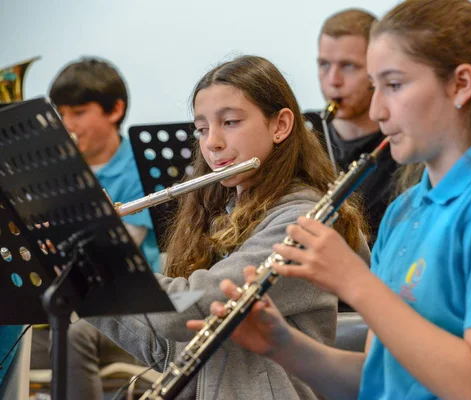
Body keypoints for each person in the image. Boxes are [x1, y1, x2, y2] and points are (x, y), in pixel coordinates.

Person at [196, 1, 471, 399]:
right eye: (375, 85)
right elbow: (380, 378)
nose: (377, 109)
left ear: (461, 84)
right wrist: (283, 347)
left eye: (394, 85)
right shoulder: (407, 210)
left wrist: (355, 282)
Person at [87, 55, 370, 399]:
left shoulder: (304, 222)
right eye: (202, 129)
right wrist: (81, 279)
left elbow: (190, 309)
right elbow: (168, 351)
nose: (212, 143)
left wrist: (109, 258)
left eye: (231, 122)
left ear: (280, 125)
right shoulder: (224, 215)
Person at [30, 58, 161, 400]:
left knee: (73, 336)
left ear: (115, 110)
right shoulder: (55, 171)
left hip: (128, 307)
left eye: (78, 112)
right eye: (61, 114)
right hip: (67, 304)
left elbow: (112, 255)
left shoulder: (139, 168)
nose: (67, 124)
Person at [304, 9, 400, 245]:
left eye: (348, 66)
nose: (333, 80)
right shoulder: (303, 134)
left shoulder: (403, 145)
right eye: (324, 64)